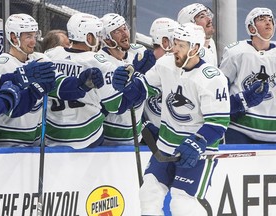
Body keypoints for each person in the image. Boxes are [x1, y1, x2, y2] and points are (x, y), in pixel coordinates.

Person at [112, 23, 230, 215]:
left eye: (181, 45)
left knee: (182, 203)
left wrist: (197, 142)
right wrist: (126, 86)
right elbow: (144, 87)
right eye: (175, 43)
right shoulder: (165, 64)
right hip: (166, 146)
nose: (174, 48)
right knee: (148, 193)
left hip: (198, 153)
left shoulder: (212, 79)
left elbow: (218, 123)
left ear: (195, 48)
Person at [0, 13, 103, 146]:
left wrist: (82, 83)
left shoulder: (39, 58)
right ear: (14, 37)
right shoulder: (4, 65)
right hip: (4, 143)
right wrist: (35, 90)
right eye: (28, 36)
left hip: (32, 143)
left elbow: (60, 85)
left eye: (35, 35)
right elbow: (12, 109)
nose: (34, 41)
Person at [44, 13, 125, 148]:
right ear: (88, 37)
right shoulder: (98, 62)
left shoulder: (50, 55)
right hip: (88, 137)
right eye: (96, 35)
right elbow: (115, 105)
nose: (99, 39)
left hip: (52, 134)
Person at [98, 13, 155, 145]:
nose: (125, 34)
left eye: (125, 28)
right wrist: (138, 74)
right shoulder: (101, 62)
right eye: (117, 31)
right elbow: (116, 106)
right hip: (109, 140)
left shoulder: (138, 52)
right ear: (106, 39)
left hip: (136, 135)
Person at [219, 7, 274, 144]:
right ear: (251, 28)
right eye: (262, 19)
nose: (268, 22)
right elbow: (220, 86)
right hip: (240, 127)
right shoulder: (235, 52)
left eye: (270, 19)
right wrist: (231, 106)